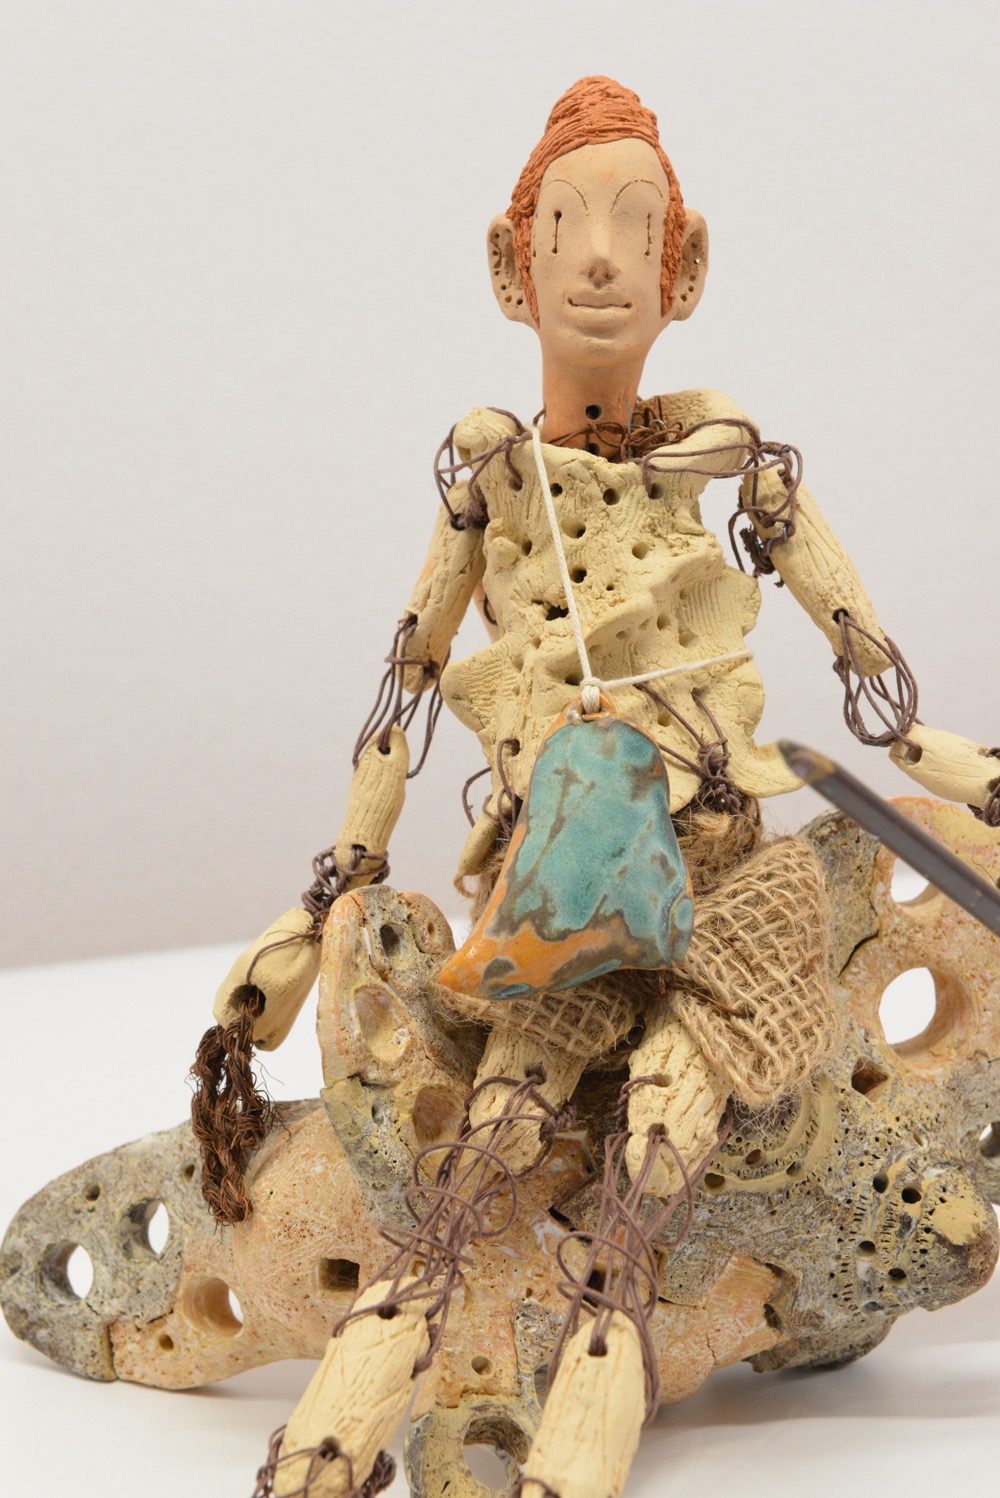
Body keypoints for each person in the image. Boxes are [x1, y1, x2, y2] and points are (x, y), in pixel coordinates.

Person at [200, 77, 999, 1498]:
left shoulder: (740, 470)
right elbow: (406, 691)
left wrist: (966, 779)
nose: (600, 260)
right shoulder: (489, 484)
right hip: (559, 878)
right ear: (511, 267)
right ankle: (324, 1445)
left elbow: (879, 690)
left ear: (685, 268)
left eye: (635, 227)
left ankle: (570, 1451)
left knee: (655, 1154)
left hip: (726, 880)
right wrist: (325, 898)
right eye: (566, 225)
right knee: (487, 1146)